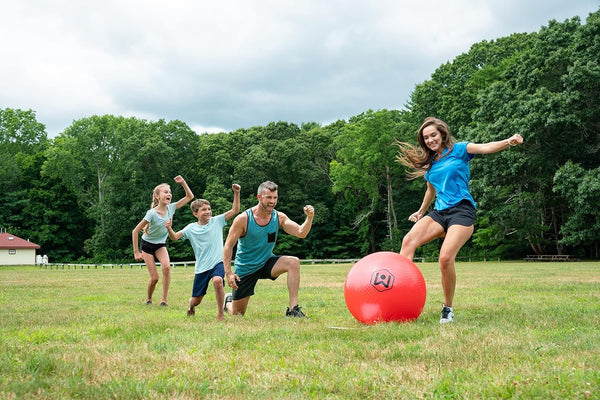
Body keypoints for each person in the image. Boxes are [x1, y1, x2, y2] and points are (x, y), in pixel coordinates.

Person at [396, 117, 523, 323]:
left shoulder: (461, 149)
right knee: (408, 241)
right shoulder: (431, 164)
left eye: (433, 135)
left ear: (442, 134)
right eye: (426, 138)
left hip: (461, 211)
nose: (430, 140)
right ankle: (400, 295)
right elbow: (431, 189)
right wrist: (421, 212)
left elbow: (487, 147)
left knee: (445, 258)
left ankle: (447, 308)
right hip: (440, 213)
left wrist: (508, 141)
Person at [223, 181, 315, 318]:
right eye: (269, 198)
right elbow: (228, 246)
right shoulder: (243, 219)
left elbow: (301, 232)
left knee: (293, 262)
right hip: (246, 268)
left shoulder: (279, 217)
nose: (272, 201)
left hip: (266, 262)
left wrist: (309, 218)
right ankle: (228, 302)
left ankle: (293, 310)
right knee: (237, 314)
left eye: (275, 198)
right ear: (259, 197)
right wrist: (229, 273)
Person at [165, 184, 241, 320]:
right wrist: (169, 229)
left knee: (218, 281)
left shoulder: (217, 221)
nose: (208, 212)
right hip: (202, 267)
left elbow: (235, 210)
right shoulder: (190, 228)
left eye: (209, 209)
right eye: (203, 210)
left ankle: (220, 314)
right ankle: (191, 305)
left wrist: (236, 193)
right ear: (195, 213)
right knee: (197, 300)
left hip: (218, 262)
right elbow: (175, 237)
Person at [132, 175, 194, 307]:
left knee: (166, 267)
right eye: (166, 192)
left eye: (170, 192)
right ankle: (148, 298)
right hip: (147, 246)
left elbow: (190, 197)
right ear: (157, 196)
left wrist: (183, 183)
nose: (169, 194)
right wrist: (136, 252)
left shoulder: (171, 208)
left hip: (160, 244)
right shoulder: (151, 213)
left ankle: (164, 300)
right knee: (155, 278)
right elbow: (135, 231)